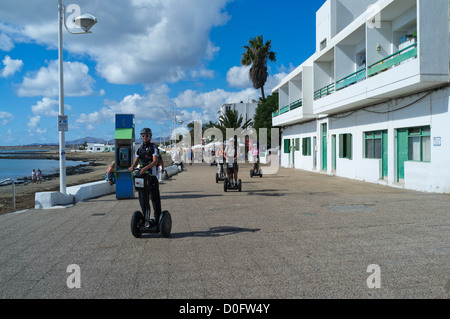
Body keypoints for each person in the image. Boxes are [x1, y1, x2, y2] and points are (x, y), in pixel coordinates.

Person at [128, 128, 162, 226]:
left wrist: (146, 168)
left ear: (150, 136)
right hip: (142, 177)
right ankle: (145, 218)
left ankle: (157, 219)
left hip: (152, 176)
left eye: (146, 135)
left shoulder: (153, 147)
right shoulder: (140, 149)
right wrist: (132, 167)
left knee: (154, 198)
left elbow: (155, 161)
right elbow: (136, 161)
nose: (144, 137)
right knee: (143, 198)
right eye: (143, 136)